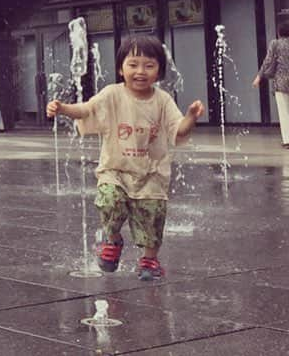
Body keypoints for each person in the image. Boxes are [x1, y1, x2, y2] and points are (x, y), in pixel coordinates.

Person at [47, 34, 204, 280]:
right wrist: (63, 109)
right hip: (116, 169)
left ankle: (149, 261)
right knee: (109, 200)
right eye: (133, 64)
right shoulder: (112, 94)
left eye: (149, 65)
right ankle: (113, 240)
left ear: (159, 71)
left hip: (151, 172)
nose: (140, 71)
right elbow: (86, 109)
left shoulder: (162, 100)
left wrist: (191, 117)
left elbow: (179, 131)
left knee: (153, 217)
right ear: (121, 69)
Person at [253, 22, 289, 149]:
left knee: (284, 113)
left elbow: (268, 60)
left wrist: (259, 76)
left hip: (281, 82)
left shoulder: (275, 44)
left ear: (279, 32)